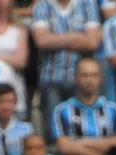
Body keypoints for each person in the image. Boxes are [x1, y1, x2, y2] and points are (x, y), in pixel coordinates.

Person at [31, 0, 102, 138]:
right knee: (54, 130)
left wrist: (55, 38)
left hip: (81, 79)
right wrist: (75, 36)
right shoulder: (42, 5)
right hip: (51, 79)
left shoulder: (87, 4)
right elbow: (41, 41)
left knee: (82, 128)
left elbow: (92, 42)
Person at [51, 56, 116, 155]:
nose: (89, 80)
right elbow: (64, 147)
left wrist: (78, 142)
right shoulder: (61, 110)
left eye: (93, 75)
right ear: (76, 78)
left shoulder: (115, 109)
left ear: (100, 78)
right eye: (84, 75)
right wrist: (106, 153)